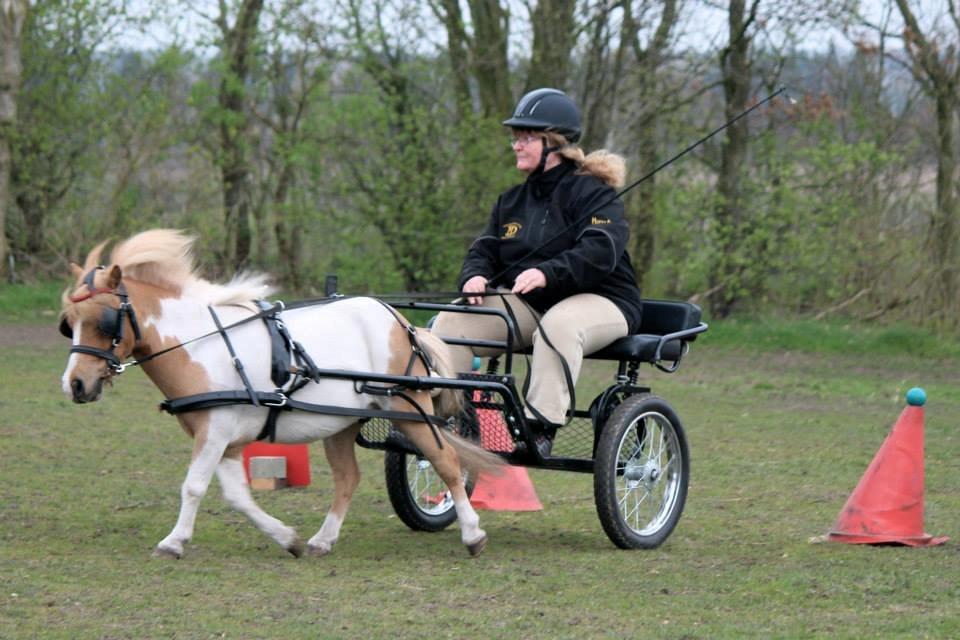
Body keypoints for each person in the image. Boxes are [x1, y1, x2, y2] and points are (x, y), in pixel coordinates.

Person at [431, 88, 643, 439]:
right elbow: (485, 248)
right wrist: (474, 275)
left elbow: (600, 251)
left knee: (560, 325)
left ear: (555, 144)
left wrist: (547, 272)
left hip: (603, 300)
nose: (516, 145)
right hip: (532, 305)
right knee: (454, 318)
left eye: (526, 137)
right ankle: (449, 417)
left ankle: (539, 425)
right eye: (515, 138)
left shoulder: (595, 194)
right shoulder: (511, 201)